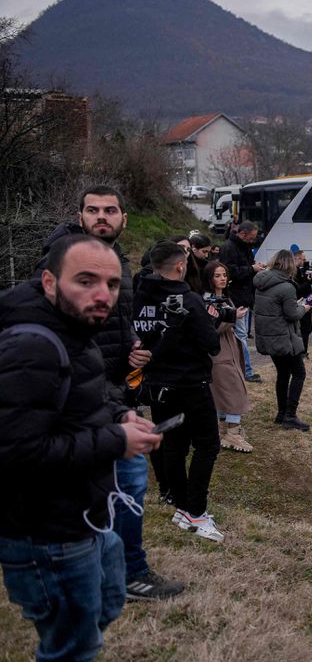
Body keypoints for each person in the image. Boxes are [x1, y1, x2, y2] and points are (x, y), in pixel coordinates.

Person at [0, 234, 162, 662]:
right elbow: (18, 453)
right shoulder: (32, 345)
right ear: (50, 282)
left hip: (83, 516)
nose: (103, 295)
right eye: (86, 281)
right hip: (43, 529)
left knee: (102, 607)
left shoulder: (72, 331)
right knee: (72, 639)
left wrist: (118, 419)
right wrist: (116, 444)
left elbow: (79, 406)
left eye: (112, 284)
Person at [37, 186, 183, 602]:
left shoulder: (115, 261)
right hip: (82, 396)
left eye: (111, 210)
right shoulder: (62, 263)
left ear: (124, 219)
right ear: (80, 216)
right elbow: (64, 343)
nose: (102, 217)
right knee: (128, 479)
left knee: (115, 487)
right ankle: (123, 574)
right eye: (93, 210)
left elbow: (108, 325)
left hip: (113, 388)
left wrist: (131, 346)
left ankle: (109, 572)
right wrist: (114, 408)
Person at [133, 241, 225, 542]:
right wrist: (211, 321)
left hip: (157, 382)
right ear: (180, 266)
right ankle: (195, 511)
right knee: (208, 445)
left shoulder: (139, 294)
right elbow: (211, 345)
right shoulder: (189, 300)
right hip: (189, 382)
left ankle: (180, 503)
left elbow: (140, 335)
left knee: (173, 444)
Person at [254, 249, 312, 431]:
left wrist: (295, 304)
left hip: (269, 337)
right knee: (299, 373)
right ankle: (290, 415)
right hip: (284, 338)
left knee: (282, 373)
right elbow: (291, 314)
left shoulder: (261, 282)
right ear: (290, 264)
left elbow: (275, 309)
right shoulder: (287, 286)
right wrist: (304, 307)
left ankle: (281, 414)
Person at [203, 261, 252, 453]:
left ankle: (225, 430)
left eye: (224, 275)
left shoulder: (225, 298)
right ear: (209, 278)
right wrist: (232, 317)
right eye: (217, 275)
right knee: (233, 390)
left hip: (230, 349)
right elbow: (210, 329)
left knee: (227, 390)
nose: (222, 278)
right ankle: (233, 433)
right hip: (218, 352)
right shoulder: (206, 301)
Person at [221, 221, 266, 383]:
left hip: (244, 296)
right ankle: (246, 371)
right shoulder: (229, 248)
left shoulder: (243, 246)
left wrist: (255, 267)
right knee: (241, 336)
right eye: (251, 238)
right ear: (242, 234)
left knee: (241, 335)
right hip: (236, 296)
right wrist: (251, 269)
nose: (253, 241)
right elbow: (229, 272)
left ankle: (242, 369)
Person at [292, 249, 312, 353]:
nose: (305, 262)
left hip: (307, 303)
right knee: (303, 329)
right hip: (300, 304)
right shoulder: (293, 272)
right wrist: (308, 281)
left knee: (307, 328)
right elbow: (297, 290)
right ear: (297, 259)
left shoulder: (300, 270)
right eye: (303, 260)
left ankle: (304, 351)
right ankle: (302, 352)